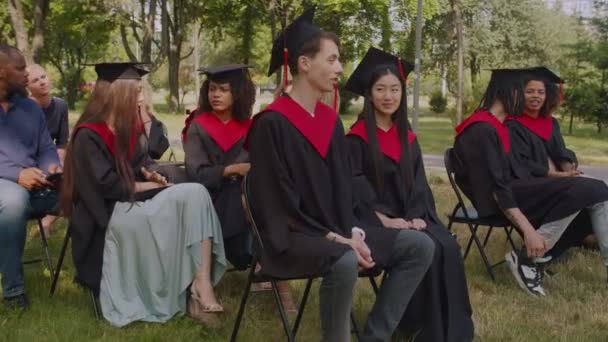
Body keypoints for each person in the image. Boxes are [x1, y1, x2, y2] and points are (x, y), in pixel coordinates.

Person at [246, 10, 434, 341]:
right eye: (332, 60)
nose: (339, 69)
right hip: (291, 237)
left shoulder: (330, 123)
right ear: (304, 63)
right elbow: (276, 203)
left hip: (338, 230)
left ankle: (374, 336)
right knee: (345, 260)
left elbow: (344, 188)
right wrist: (337, 239)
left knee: (419, 246)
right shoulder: (271, 124)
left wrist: (354, 230)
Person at [60, 62, 227, 327]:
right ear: (118, 93)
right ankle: (194, 290)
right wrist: (153, 187)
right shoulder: (88, 136)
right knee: (187, 197)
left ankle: (201, 285)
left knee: (196, 194)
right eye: (136, 91)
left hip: (133, 203)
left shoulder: (128, 129)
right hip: (106, 218)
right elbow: (108, 187)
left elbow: (141, 162)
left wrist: (149, 173)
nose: (141, 98)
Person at [345, 47, 473, 342]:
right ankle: (414, 325)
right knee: (426, 244)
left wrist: (416, 216)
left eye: (394, 89)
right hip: (369, 223)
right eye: (380, 89)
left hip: (406, 217)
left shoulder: (408, 137)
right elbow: (353, 189)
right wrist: (386, 221)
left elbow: (418, 185)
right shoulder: (356, 138)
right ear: (370, 94)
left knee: (446, 245)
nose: (388, 96)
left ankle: (440, 330)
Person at [452, 69, 608, 297]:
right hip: (501, 199)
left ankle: (531, 257)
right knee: (585, 190)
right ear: (508, 92)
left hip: (519, 187)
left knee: (597, 192)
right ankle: (526, 258)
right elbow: (497, 188)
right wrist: (527, 230)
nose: (528, 98)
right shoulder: (481, 128)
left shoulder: (494, 124)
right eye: (523, 91)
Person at [505, 67, 593, 259]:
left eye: (540, 92)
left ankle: (581, 238)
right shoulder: (512, 124)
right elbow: (523, 164)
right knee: (585, 192)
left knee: (592, 194)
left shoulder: (551, 123)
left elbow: (561, 151)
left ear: (547, 95)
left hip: (558, 181)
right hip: (532, 185)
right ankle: (551, 245)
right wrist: (559, 176)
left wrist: (569, 167)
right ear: (520, 94)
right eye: (530, 92)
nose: (535, 96)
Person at [0, 44, 61, 311]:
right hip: (7, 188)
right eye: (20, 68)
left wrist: (52, 169)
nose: (27, 74)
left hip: (38, 187)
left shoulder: (31, 109)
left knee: (86, 192)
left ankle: (95, 279)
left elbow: (46, 148)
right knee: (13, 201)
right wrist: (17, 175)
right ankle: (13, 292)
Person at [184, 64, 255, 270]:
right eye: (212, 89)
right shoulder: (198, 126)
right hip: (209, 197)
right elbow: (195, 173)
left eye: (224, 90)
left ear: (238, 93)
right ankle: (250, 255)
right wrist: (231, 170)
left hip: (244, 196)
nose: (216, 95)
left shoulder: (250, 127)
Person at [27, 64, 69, 236]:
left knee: (74, 177)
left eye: (43, 77)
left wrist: (60, 164)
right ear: (27, 87)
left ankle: (46, 222)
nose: (42, 82)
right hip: (29, 160)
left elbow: (61, 142)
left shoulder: (61, 105)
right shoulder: (24, 108)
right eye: (35, 80)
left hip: (51, 157)